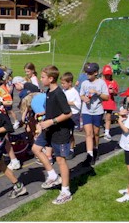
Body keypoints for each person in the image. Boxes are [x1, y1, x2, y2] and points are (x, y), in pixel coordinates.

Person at [37, 65, 73, 204]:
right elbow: (53, 109)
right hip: (49, 129)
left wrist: (51, 121)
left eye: (43, 77)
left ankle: (66, 192)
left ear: (51, 78)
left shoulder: (58, 93)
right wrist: (44, 114)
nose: (41, 79)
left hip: (60, 132)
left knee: (60, 161)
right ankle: (53, 175)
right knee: (36, 148)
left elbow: (68, 113)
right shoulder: (48, 91)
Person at [0, 67, 21, 170]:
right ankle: (10, 160)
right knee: (2, 140)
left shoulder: (1, 88)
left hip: (0, 118)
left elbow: (9, 101)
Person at [80, 63, 109, 166]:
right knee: (88, 133)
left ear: (96, 73)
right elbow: (81, 95)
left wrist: (97, 93)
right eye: (87, 72)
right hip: (86, 110)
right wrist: (84, 98)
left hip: (97, 111)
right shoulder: (84, 83)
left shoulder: (101, 83)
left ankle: (95, 149)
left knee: (96, 133)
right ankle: (89, 155)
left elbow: (106, 97)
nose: (88, 74)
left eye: (90, 73)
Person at [60, 72, 81, 160]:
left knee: (70, 133)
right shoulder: (64, 91)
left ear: (70, 83)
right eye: (61, 83)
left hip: (73, 115)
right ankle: (64, 148)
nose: (62, 85)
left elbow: (78, 104)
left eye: (64, 83)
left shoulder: (74, 92)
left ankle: (71, 149)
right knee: (63, 132)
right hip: (65, 114)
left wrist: (68, 103)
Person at [102, 65, 119, 141]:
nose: (107, 76)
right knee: (99, 117)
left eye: (108, 75)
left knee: (108, 117)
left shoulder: (113, 82)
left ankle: (107, 132)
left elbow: (116, 93)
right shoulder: (101, 81)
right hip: (102, 101)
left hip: (109, 102)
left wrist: (113, 91)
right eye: (106, 75)